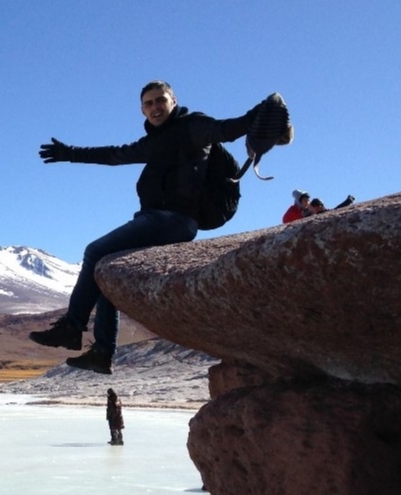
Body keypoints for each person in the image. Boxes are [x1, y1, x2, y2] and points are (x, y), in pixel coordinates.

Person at [32, 80, 287, 375]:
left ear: (173, 101)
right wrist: (70, 153)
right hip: (154, 220)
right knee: (104, 269)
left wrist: (263, 110)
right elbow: (114, 155)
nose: (155, 107)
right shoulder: (154, 142)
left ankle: (72, 326)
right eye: (148, 103)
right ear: (142, 110)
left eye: (160, 100)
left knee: (94, 250)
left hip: (173, 220)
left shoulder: (192, 127)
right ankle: (102, 352)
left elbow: (228, 129)